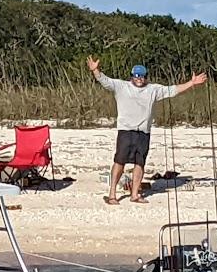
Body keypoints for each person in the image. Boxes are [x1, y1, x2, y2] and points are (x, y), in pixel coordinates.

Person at [87, 56, 207, 205]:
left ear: (146, 77)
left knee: (140, 163)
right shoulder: (121, 86)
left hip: (143, 132)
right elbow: (105, 81)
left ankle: (135, 194)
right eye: (136, 76)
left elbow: (173, 90)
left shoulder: (153, 89)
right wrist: (95, 70)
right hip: (126, 130)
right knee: (119, 162)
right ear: (132, 76)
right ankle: (112, 195)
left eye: (142, 76)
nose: (139, 79)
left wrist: (192, 83)